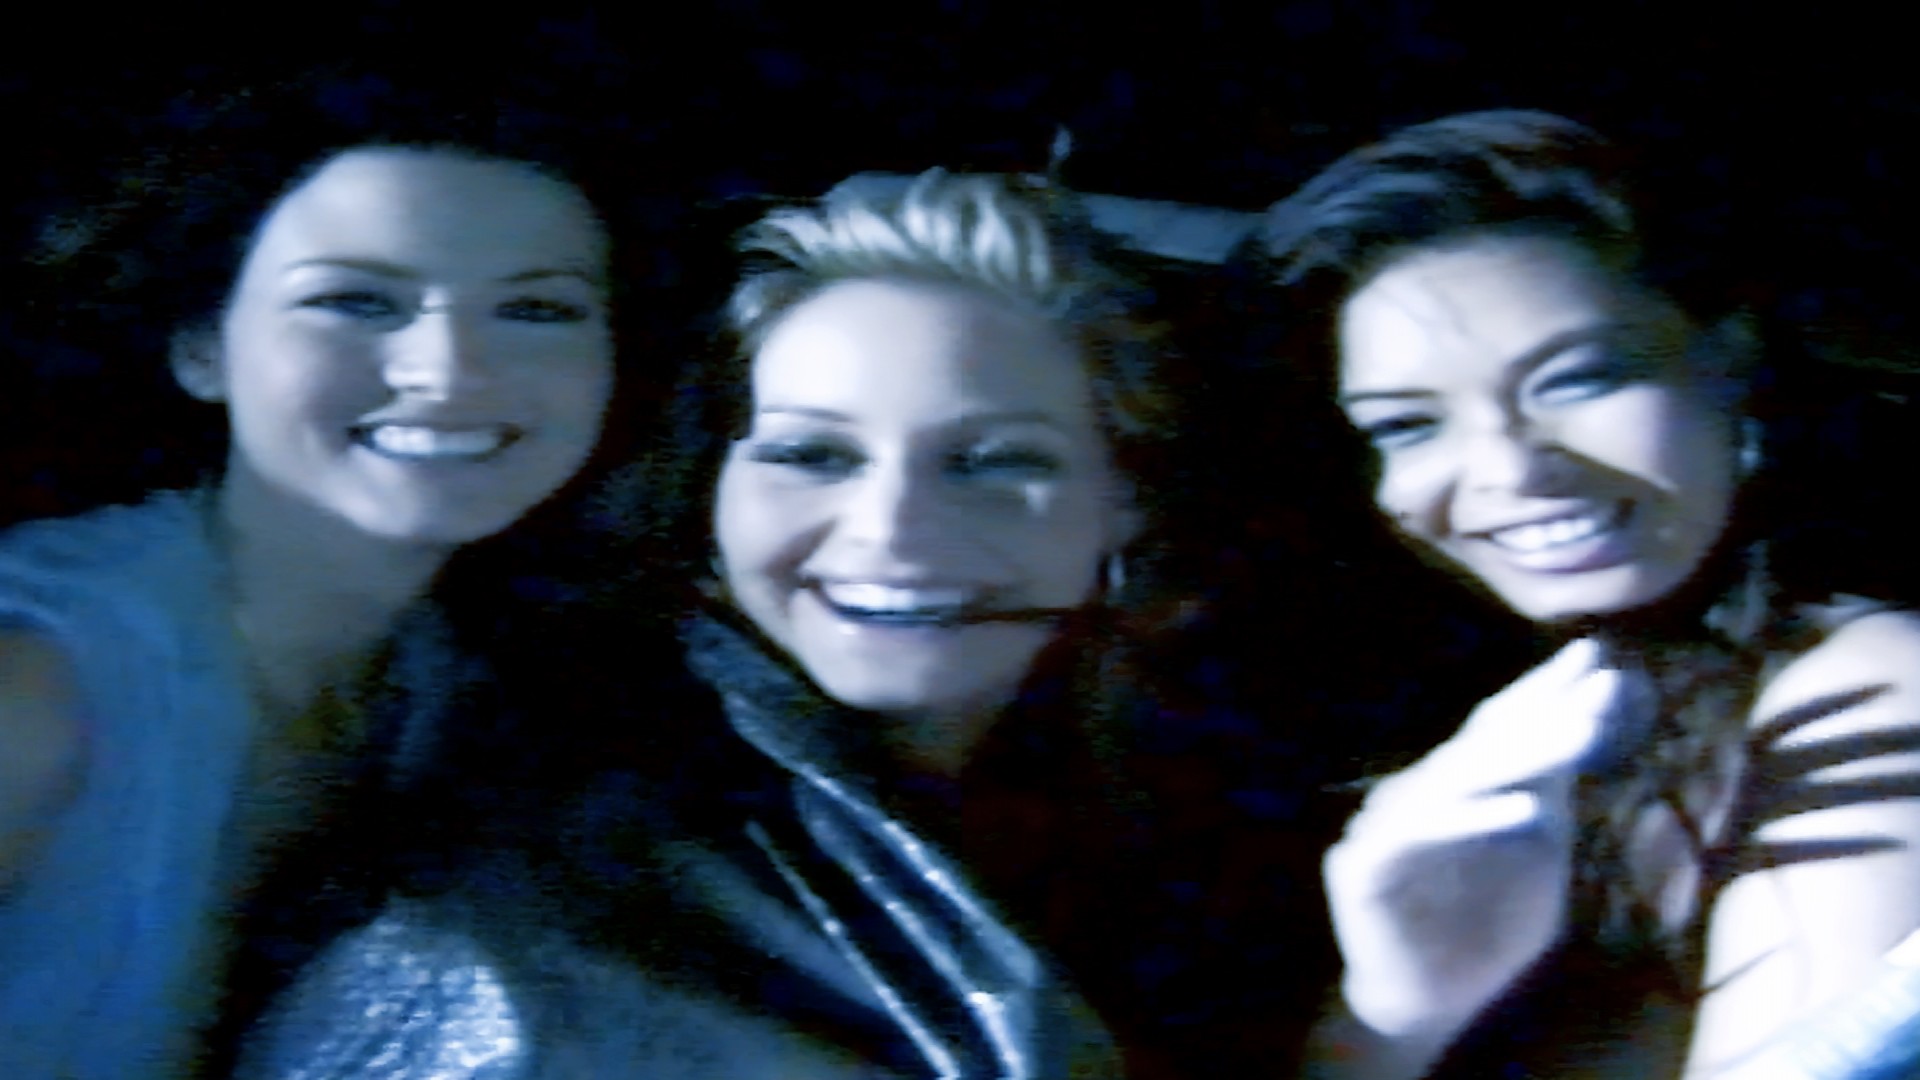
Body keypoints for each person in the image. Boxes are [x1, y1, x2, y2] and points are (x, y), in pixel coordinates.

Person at [231, 166, 1223, 1078]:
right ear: (706, 495)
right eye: (811, 456)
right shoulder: (486, 945)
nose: (891, 531)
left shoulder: (1196, 839)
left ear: (1127, 500)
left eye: (996, 462)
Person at [0, 69, 661, 1078]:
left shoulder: (443, 684)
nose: (449, 370)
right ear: (202, 345)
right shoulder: (36, 687)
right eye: (356, 301)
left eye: (536, 309)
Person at [1237, 109, 1920, 1077]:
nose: (1512, 470)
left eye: (1579, 380)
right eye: (1407, 426)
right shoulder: (1416, 703)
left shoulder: (1866, 680)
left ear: (1728, 361)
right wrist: (1395, 1013)